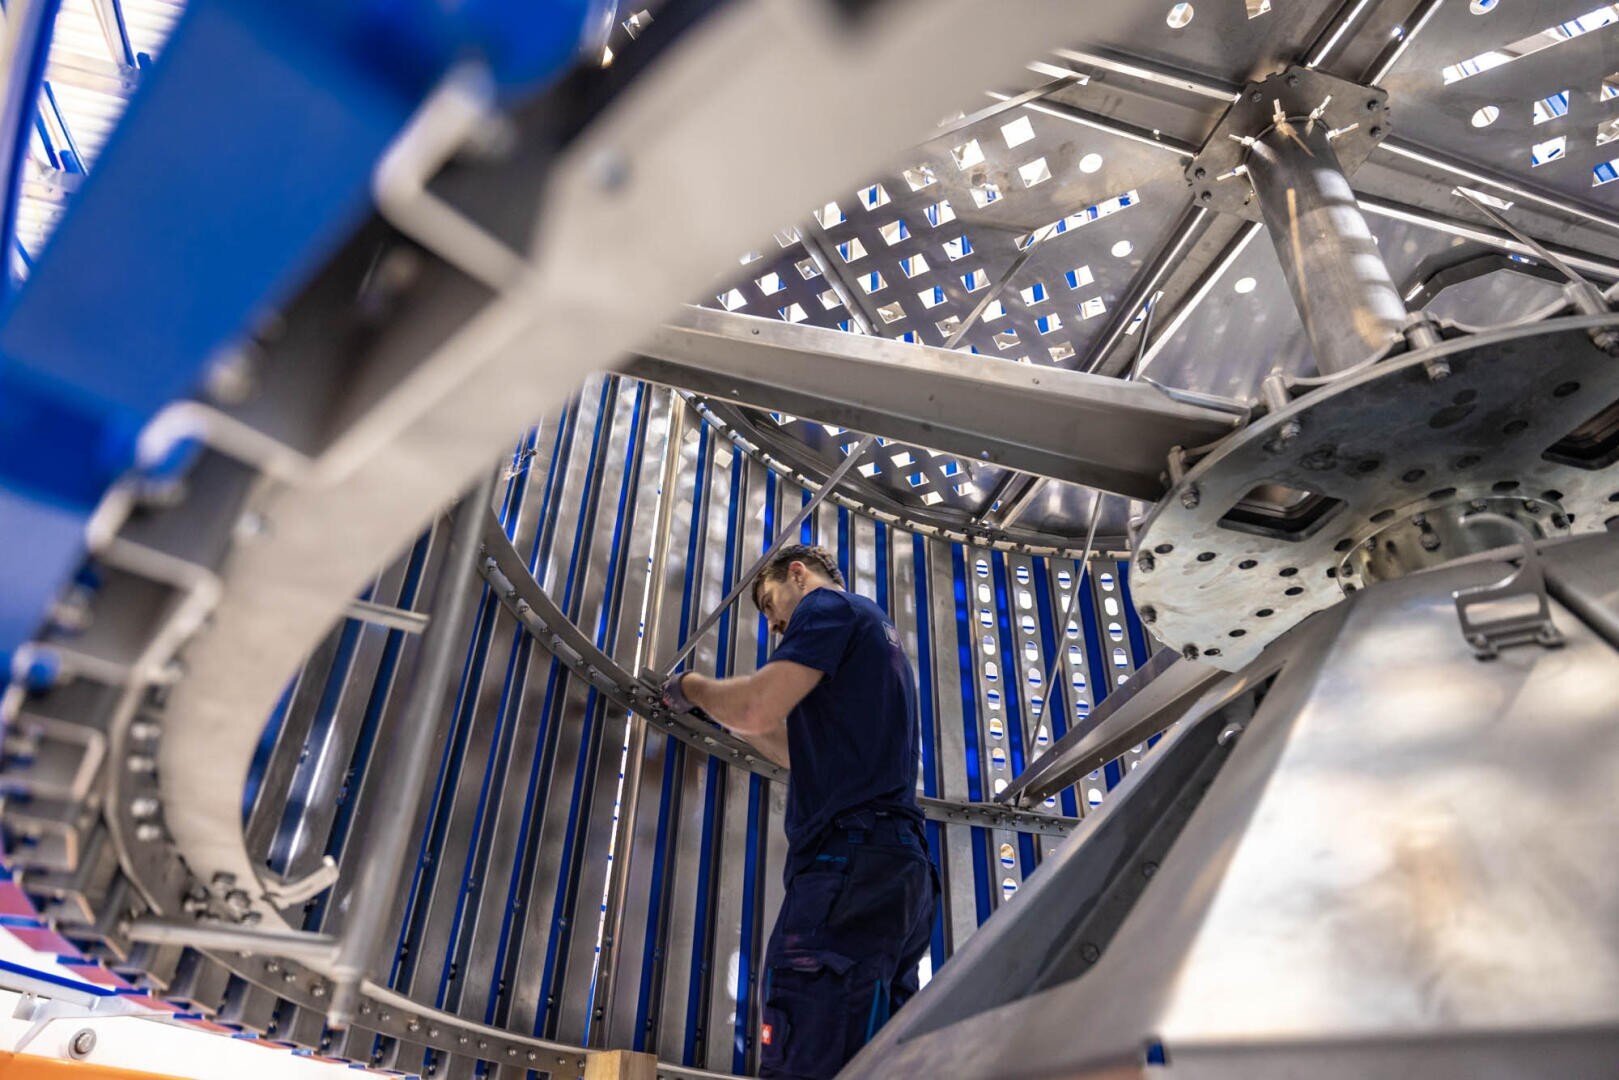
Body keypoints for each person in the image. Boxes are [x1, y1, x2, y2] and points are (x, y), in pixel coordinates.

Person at [662, 543, 937, 1079]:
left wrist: (689, 687)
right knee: (869, 1060)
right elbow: (795, 747)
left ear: (798, 575)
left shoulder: (828, 607)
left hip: (848, 866)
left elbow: (758, 705)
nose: (773, 625)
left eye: (769, 605)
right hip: (901, 872)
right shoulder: (877, 637)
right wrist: (719, 718)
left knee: (804, 1045)